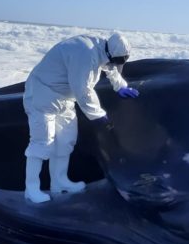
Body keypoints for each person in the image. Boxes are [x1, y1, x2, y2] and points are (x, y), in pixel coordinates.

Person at [22, 32, 140, 203]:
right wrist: (99, 115)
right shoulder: (84, 54)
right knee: (42, 143)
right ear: (109, 53)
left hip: (64, 98)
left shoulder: (102, 48)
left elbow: (109, 66)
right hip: (43, 95)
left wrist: (120, 86)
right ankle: (32, 189)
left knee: (65, 140)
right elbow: (83, 90)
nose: (116, 64)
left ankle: (59, 182)